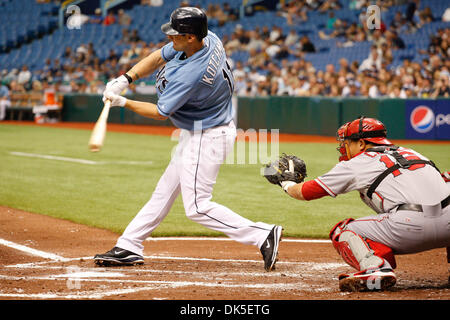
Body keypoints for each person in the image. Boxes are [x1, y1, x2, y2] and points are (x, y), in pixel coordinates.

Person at [94, 7, 283, 272]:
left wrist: (123, 102)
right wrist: (126, 78)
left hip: (208, 136)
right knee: (164, 192)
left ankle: (261, 234)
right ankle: (129, 245)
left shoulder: (191, 74)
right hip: (203, 129)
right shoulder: (209, 38)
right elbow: (159, 56)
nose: (171, 39)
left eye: (176, 35)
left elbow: (161, 112)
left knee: (197, 206)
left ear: (191, 37)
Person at [272, 117, 449, 292]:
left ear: (362, 143)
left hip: (409, 227)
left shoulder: (358, 163)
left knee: (344, 231)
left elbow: (306, 192)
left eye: (347, 142)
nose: (344, 147)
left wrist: (287, 183)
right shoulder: (414, 153)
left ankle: (376, 268)